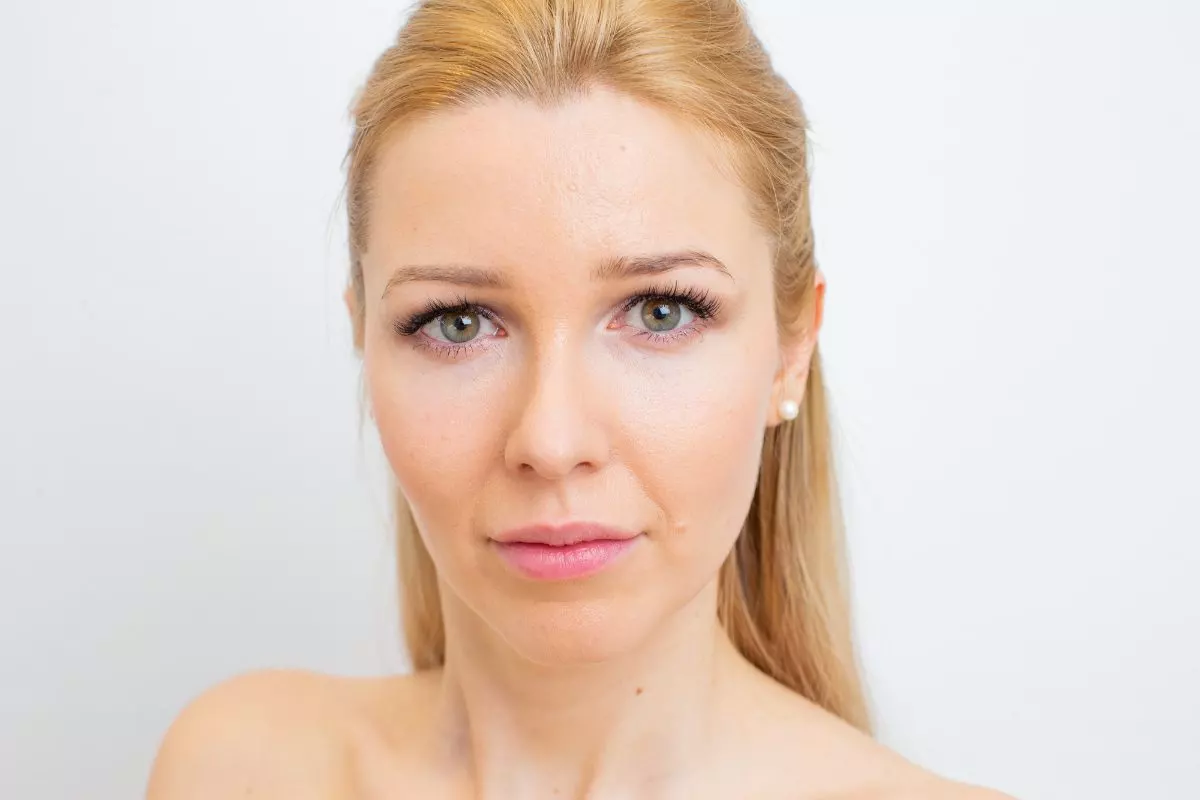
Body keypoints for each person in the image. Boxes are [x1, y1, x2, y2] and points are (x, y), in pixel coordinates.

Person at [147, 1, 1013, 797]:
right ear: (364, 340)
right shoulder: (234, 770)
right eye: (456, 323)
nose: (552, 441)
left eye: (661, 311)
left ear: (793, 350)